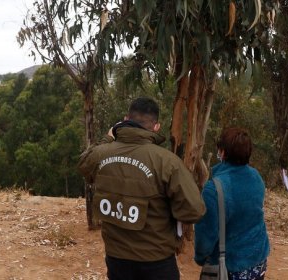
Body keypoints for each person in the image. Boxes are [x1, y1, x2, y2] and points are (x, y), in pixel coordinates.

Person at [79, 97, 206, 280]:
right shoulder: (167, 162)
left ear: (125, 119)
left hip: (116, 258)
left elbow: (84, 163)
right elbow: (194, 210)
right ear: (156, 127)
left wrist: (108, 137)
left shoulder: (102, 153)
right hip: (157, 260)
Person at [194, 127, 270, 280]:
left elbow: (206, 232)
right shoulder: (255, 176)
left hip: (231, 265)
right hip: (258, 259)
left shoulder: (214, 189)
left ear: (222, 152)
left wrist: (201, 257)